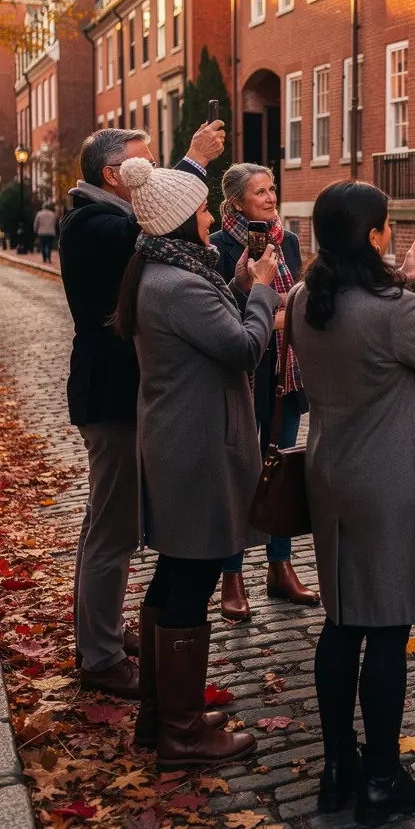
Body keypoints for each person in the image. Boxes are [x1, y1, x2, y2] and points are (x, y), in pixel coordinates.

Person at [290, 181, 415, 825]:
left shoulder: (299, 298)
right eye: (386, 225)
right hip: (390, 480)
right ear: (371, 235)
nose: (393, 232)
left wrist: (407, 284)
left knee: (343, 623)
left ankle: (338, 766)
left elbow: (366, 325)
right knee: (388, 629)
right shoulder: (394, 308)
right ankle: (383, 779)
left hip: (330, 473)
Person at [112, 156, 278, 768]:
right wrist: (259, 294)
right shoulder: (177, 282)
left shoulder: (166, 270)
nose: (212, 216)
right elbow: (239, 347)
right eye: (205, 209)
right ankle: (183, 736)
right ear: (182, 219)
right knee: (194, 577)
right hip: (196, 448)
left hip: (182, 440)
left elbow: (208, 329)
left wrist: (236, 287)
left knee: (176, 575)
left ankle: (163, 715)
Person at [59, 124, 223, 698]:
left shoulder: (98, 218)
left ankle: (99, 631)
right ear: (113, 175)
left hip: (115, 393)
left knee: (108, 523)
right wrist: (194, 163)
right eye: (143, 167)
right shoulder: (98, 224)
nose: (152, 175)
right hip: (111, 396)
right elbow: (162, 224)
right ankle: (100, 656)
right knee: (113, 529)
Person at [210, 163, 319, 620]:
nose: (271, 197)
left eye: (273, 188)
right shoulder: (217, 248)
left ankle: (280, 565)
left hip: (285, 376)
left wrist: (288, 318)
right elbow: (217, 316)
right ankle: (231, 575)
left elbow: (298, 301)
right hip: (243, 374)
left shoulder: (287, 241)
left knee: (280, 471)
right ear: (236, 202)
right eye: (260, 191)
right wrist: (265, 314)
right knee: (241, 472)